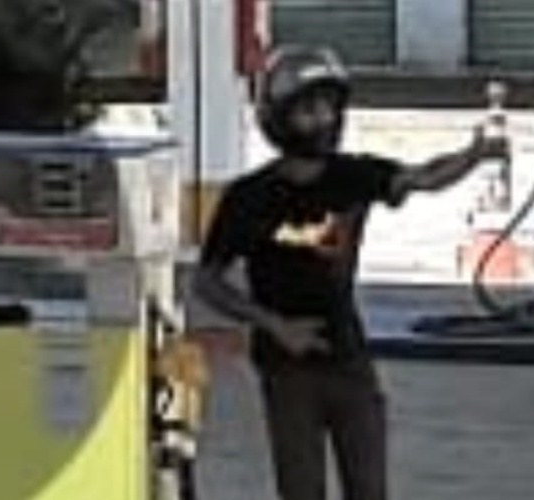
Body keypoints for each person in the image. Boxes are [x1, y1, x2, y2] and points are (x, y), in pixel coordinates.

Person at [193, 45, 508, 500]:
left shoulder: (353, 176)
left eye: (329, 107)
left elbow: (422, 177)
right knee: (301, 490)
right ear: (279, 117)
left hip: (349, 360)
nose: (323, 120)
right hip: (286, 369)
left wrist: (473, 155)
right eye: (308, 110)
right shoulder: (248, 198)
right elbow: (207, 281)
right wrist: (275, 326)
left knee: (369, 488)